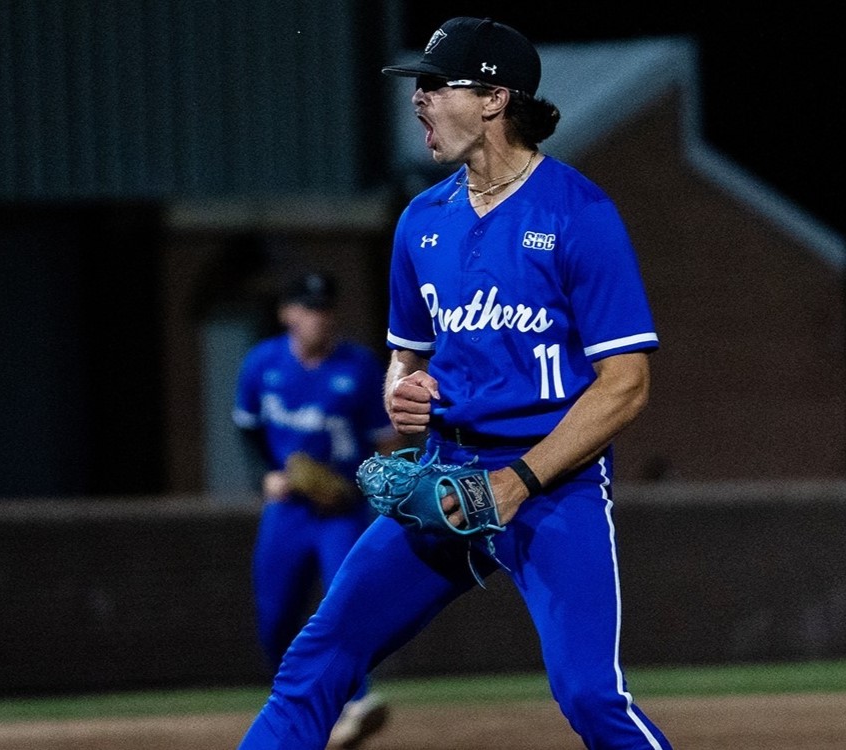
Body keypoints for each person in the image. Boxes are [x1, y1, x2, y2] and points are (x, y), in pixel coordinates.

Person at [238, 17, 672, 750]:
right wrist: (398, 392)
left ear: (495, 98)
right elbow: (405, 362)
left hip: (552, 483)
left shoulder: (579, 213)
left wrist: (516, 483)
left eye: (437, 86)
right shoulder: (420, 222)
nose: (420, 102)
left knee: (590, 695)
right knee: (314, 663)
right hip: (443, 481)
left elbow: (625, 384)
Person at [232, 270, 400, 749]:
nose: (318, 318)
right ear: (287, 312)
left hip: (341, 509)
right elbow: (247, 426)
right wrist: (267, 473)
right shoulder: (262, 363)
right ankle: (297, 701)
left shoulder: (359, 367)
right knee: (275, 616)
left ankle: (355, 701)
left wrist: (370, 488)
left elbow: (386, 442)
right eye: (308, 308)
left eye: (325, 309)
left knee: (342, 603)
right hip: (288, 511)